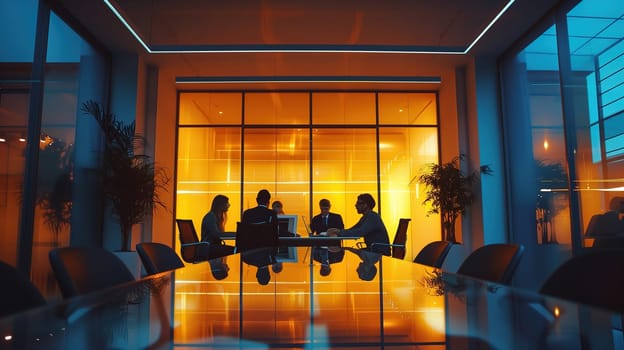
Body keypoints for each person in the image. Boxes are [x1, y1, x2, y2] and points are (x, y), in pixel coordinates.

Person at [327, 193, 391, 256]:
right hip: (373, 250)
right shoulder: (366, 217)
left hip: (379, 253)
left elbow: (359, 232)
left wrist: (339, 232)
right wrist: (338, 232)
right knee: (348, 252)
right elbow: (353, 230)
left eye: (358, 203)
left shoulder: (372, 217)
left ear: (366, 205)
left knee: (348, 253)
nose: (355, 205)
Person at [311, 199, 345, 275]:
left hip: (334, 242)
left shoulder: (337, 217)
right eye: (323, 209)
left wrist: (332, 233)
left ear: (330, 207)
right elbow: (312, 232)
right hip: (320, 243)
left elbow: (341, 230)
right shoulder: (316, 219)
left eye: (326, 208)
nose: (325, 211)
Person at [201, 194, 236, 259]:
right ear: (220, 205)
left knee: (234, 250)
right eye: (227, 203)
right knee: (235, 250)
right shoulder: (211, 217)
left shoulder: (216, 217)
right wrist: (236, 234)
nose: (229, 205)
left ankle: (220, 267)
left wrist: (236, 234)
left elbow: (219, 235)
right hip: (210, 248)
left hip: (212, 247)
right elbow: (217, 235)